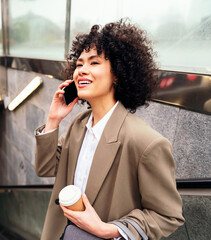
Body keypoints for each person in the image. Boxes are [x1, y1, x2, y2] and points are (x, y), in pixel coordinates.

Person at [34, 19, 184, 240]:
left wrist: (108, 229)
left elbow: (168, 216)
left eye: (94, 63)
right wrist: (53, 120)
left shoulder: (145, 142)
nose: (82, 71)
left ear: (117, 74)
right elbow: (45, 168)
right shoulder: (78, 125)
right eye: (79, 64)